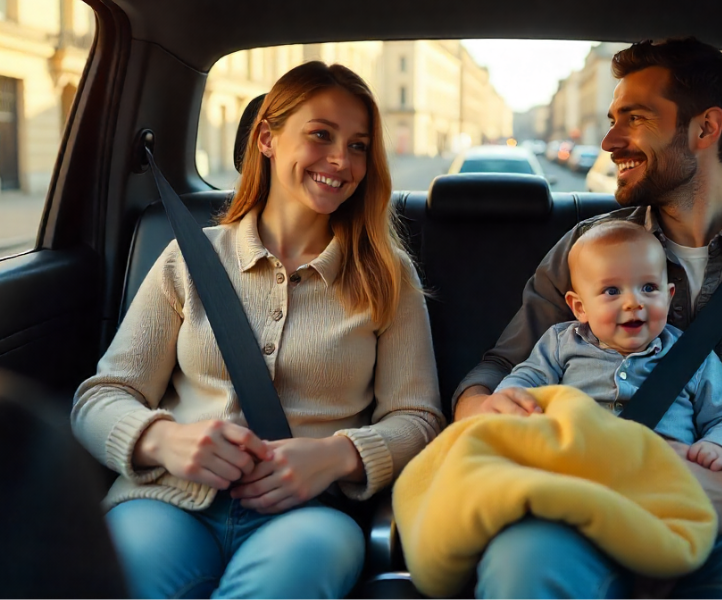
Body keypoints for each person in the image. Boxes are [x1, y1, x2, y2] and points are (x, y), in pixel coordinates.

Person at [455, 38, 722, 598]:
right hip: (586, 508)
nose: (610, 141)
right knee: (521, 564)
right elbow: (496, 369)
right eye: (613, 120)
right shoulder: (585, 249)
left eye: (634, 120)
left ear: (705, 129)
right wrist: (485, 412)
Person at [71, 61, 443, 599]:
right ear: (267, 138)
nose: (341, 161)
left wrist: (337, 455)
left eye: (359, 145)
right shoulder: (189, 260)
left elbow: (418, 418)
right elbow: (102, 396)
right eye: (321, 135)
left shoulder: (387, 276)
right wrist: (163, 439)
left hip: (310, 514)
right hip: (167, 501)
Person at [495, 220, 722, 471]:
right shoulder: (561, 343)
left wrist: (719, 446)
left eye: (648, 287)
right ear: (580, 307)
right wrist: (511, 400)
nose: (633, 303)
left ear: (668, 298)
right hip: (576, 466)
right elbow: (526, 379)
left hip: (659, 472)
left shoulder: (691, 356)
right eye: (612, 291)